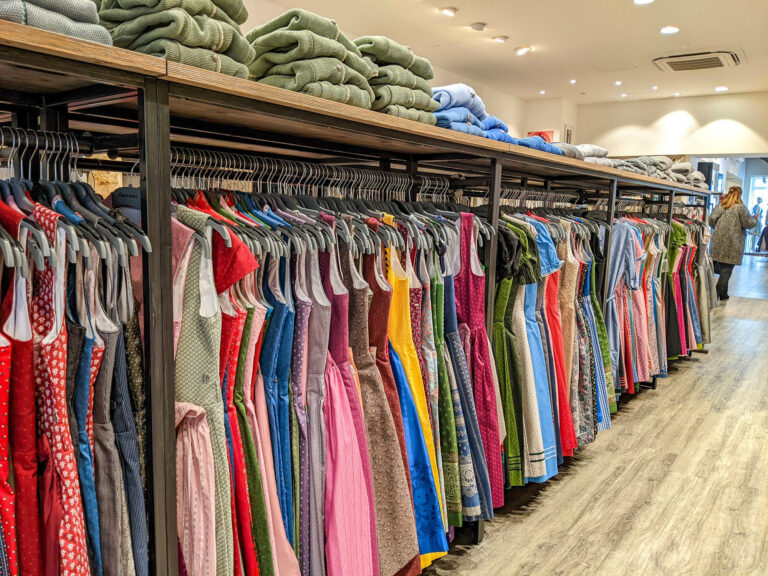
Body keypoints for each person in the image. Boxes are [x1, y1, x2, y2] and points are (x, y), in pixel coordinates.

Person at [709, 186, 759, 300]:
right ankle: (716, 293)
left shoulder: (722, 205)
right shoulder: (741, 208)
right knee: (727, 268)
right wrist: (755, 218)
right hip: (734, 242)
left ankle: (724, 294)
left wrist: (718, 229)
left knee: (723, 266)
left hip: (719, 240)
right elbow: (748, 223)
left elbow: (711, 219)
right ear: (739, 194)